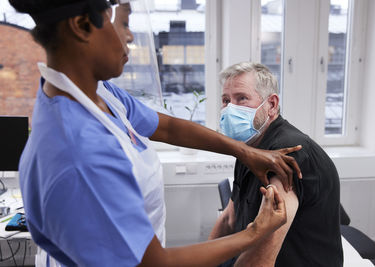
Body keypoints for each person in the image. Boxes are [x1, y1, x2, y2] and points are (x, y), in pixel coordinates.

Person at [10, 0, 303, 266]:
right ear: (83, 25)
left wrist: (244, 150)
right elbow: (153, 263)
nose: (129, 36)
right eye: (123, 22)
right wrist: (255, 232)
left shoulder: (98, 93)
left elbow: (167, 126)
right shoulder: (81, 153)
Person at [209, 62, 343, 266]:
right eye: (226, 100)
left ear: (271, 105)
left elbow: (263, 255)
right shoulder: (249, 147)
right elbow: (229, 218)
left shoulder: (287, 152)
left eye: (242, 98)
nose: (230, 108)